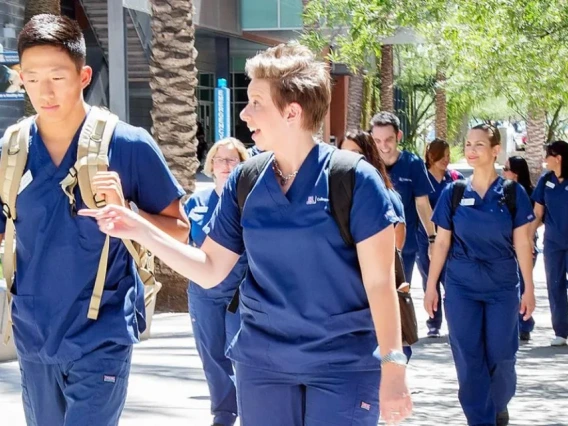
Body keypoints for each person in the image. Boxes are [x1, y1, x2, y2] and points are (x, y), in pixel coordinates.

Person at [81, 42, 412, 426]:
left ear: (292, 112)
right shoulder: (245, 180)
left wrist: (393, 368)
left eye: (256, 102)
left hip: (343, 367)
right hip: (263, 365)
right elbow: (209, 268)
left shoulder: (354, 179)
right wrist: (138, 227)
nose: (244, 112)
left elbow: (380, 284)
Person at [0, 15, 188, 425]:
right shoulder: (11, 150)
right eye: (31, 78)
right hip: (34, 335)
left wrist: (130, 215)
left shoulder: (128, 144)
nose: (44, 91)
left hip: (102, 333)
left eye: (57, 77)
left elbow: (181, 231)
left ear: (84, 75)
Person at [425, 124, 535, 426]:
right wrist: (431, 285)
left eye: (479, 145)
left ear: (495, 150)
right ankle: (481, 418)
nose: (471, 150)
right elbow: (442, 241)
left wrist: (529, 288)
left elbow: (523, 242)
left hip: (501, 284)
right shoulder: (454, 192)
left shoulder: (513, 193)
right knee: (468, 355)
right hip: (462, 285)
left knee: (502, 354)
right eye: (468, 145)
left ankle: (497, 404)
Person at [185, 138, 249, 426]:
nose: (226, 165)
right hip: (204, 293)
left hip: (241, 293)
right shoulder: (196, 202)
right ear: (210, 164)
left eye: (232, 159)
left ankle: (250, 411)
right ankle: (223, 415)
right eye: (220, 160)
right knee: (212, 357)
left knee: (244, 356)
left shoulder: (249, 201)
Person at [371, 112, 435, 283]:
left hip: (404, 248)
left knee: (400, 297)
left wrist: (432, 238)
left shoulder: (412, 164)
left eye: (389, 139)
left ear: (398, 136)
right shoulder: (367, 165)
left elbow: (422, 204)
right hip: (371, 245)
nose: (383, 146)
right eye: (377, 140)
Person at [416, 139, 463, 338]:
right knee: (430, 280)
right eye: (441, 155)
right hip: (424, 239)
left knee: (451, 281)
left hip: (452, 240)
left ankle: (457, 321)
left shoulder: (455, 178)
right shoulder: (422, 178)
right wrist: (431, 238)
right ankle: (433, 323)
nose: (446, 159)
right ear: (431, 155)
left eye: (448, 155)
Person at [338, 130, 406, 250]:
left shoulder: (388, 197)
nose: (347, 160)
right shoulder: (332, 194)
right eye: (343, 154)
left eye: (355, 154)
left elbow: (397, 247)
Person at [530, 140, 568, 346]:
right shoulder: (546, 180)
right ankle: (561, 331)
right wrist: (527, 237)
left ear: (558, 158)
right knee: (555, 285)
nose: (545, 160)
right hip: (554, 244)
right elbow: (537, 213)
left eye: (548, 156)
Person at [503, 155, 537, 341]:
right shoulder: (501, 192)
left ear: (516, 173)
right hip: (506, 247)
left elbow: (538, 217)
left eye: (507, 169)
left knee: (524, 284)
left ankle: (525, 323)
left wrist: (528, 236)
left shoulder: (526, 193)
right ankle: (516, 324)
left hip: (525, 245)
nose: (504, 172)